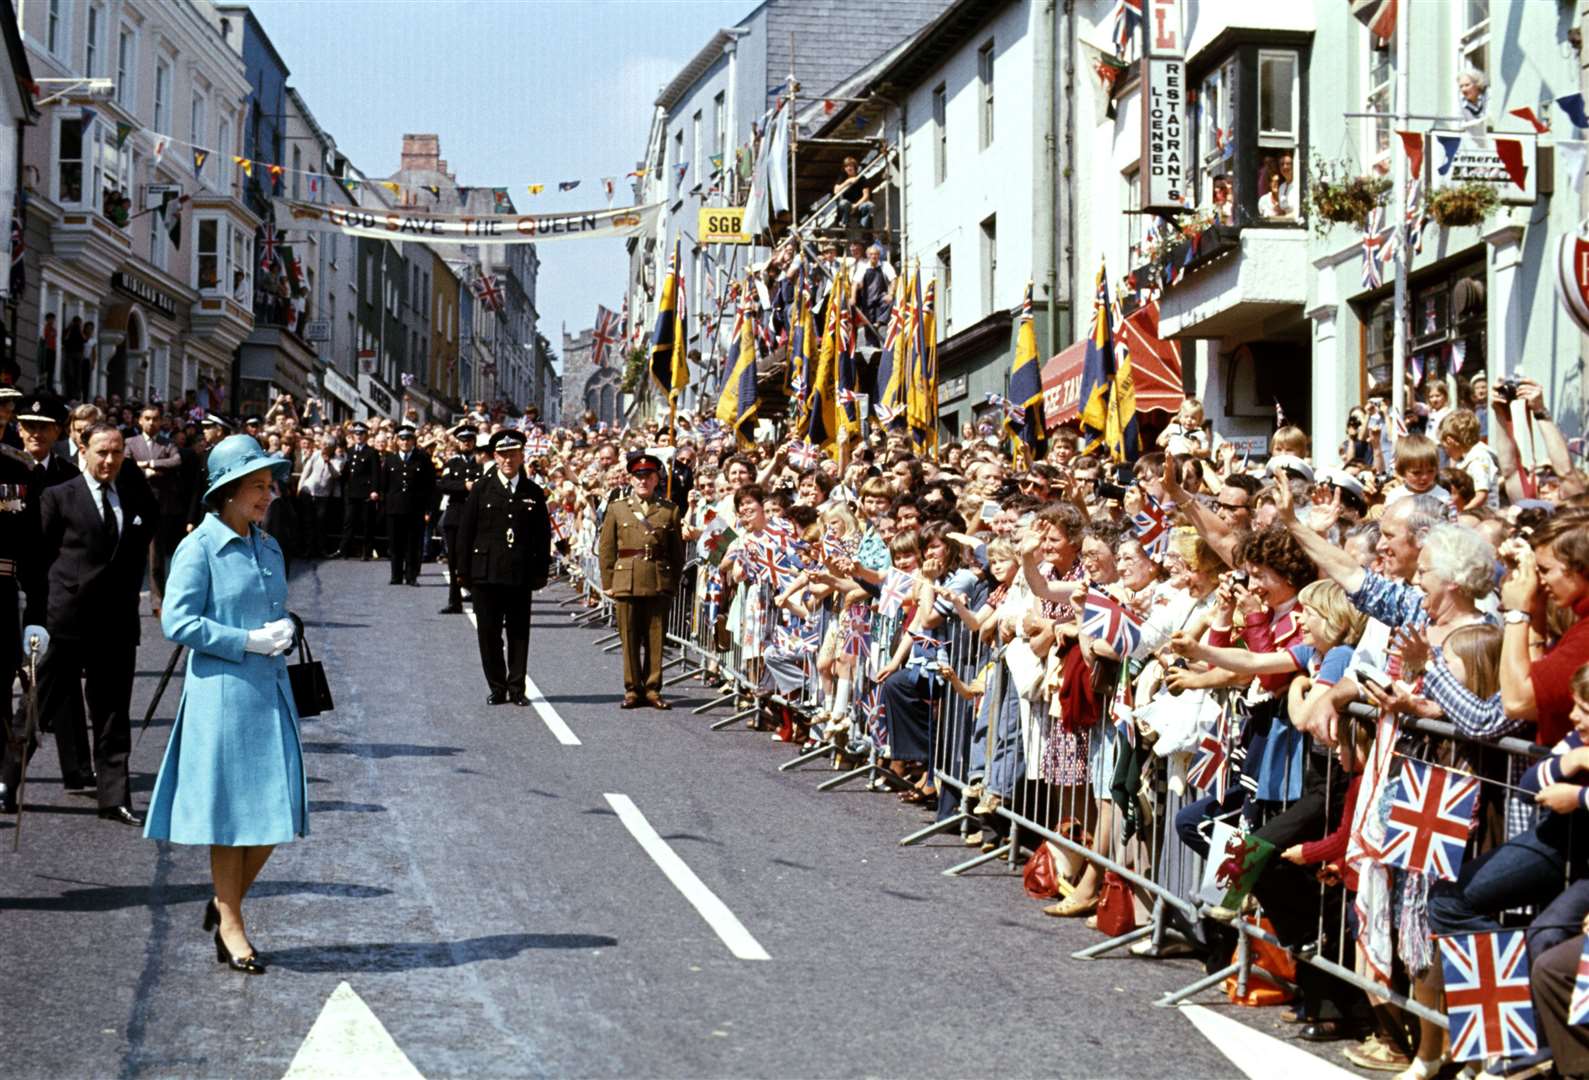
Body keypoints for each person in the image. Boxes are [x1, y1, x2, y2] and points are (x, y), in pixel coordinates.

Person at [143, 434, 305, 976]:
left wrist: (286, 628)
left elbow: (274, 606)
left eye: (270, 485)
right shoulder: (199, 547)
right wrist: (245, 641)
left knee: (276, 815)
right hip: (223, 696)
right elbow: (178, 621)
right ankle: (232, 924)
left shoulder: (268, 545)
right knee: (232, 817)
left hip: (271, 691)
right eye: (258, 486)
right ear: (229, 491)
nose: (269, 494)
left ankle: (221, 904)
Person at [34, 421, 158, 825]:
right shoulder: (58, 497)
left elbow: (140, 547)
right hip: (67, 620)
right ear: (82, 450)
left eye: (117, 452)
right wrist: (39, 615)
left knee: (112, 714)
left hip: (116, 623)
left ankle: (114, 798)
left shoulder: (134, 497)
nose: (109, 460)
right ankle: (6, 775)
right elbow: (40, 560)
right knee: (39, 704)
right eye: (102, 452)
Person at [455, 430, 553, 706]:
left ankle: (517, 687)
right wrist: (462, 571)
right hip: (485, 572)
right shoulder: (482, 489)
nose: (508, 460)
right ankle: (497, 686)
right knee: (488, 632)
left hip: (519, 572)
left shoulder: (532, 491)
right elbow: (466, 531)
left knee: (519, 632)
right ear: (495, 457)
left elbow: (542, 535)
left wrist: (541, 571)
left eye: (513, 454)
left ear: (522, 456)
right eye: (503, 454)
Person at [599, 451, 686, 709]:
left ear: (657, 479)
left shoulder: (669, 511)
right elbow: (606, 549)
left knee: (656, 637)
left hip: (657, 579)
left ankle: (652, 689)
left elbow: (677, 553)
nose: (642, 481)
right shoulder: (617, 508)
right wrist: (608, 582)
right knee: (629, 636)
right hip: (626, 579)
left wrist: (672, 581)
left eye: (648, 476)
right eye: (638, 477)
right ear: (631, 479)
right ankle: (632, 689)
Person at [125, 405, 185, 615]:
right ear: (140, 420)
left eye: (156, 419)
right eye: (148, 418)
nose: (152, 423)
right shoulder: (130, 443)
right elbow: (126, 465)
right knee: (131, 554)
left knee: (156, 557)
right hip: (134, 507)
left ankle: (158, 601)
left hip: (160, 507)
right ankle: (127, 597)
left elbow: (176, 461)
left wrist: (150, 463)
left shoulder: (167, 443)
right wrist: (145, 472)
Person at [380, 424, 434, 586]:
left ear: (414, 441)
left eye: (409, 439)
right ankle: (396, 575)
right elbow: (385, 485)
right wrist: (385, 506)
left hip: (415, 508)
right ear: (397, 441)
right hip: (394, 508)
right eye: (402, 439)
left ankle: (411, 576)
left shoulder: (423, 459)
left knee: (413, 544)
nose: (405, 442)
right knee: (396, 544)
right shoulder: (390, 459)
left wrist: (428, 509)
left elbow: (430, 486)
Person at [437, 425, 483, 614]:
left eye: (470, 440)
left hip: (475, 516)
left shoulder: (481, 464)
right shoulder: (452, 464)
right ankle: (454, 600)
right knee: (454, 561)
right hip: (455, 516)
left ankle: (477, 596)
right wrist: (464, 485)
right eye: (463, 441)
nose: (467, 444)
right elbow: (443, 484)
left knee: (475, 558)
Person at [336, 421, 381, 559]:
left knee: (367, 523)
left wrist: (374, 490)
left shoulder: (371, 452)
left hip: (365, 492)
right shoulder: (349, 452)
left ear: (366, 436)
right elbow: (344, 473)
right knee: (349, 522)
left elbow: (375, 473)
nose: (359, 436)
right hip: (351, 492)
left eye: (362, 434)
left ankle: (366, 551)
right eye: (356, 433)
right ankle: (345, 550)